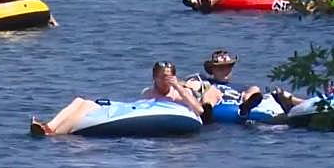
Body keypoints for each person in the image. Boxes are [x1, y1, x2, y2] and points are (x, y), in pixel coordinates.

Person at [31, 61, 207, 136]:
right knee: (80, 102)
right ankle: (49, 127)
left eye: (168, 77)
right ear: (154, 77)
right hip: (127, 111)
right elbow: (135, 109)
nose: (164, 81)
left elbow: (199, 111)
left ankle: (56, 134)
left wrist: (177, 87)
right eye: (161, 77)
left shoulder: (179, 94)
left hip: (171, 116)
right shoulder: (148, 93)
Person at [193, 50, 264, 118]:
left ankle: (247, 105)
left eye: (228, 66)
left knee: (254, 88)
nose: (225, 70)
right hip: (215, 104)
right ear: (212, 69)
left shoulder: (239, 87)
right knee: (212, 90)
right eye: (221, 67)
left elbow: (249, 90)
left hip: (239, 103)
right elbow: (193, 85)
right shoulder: (206, 82)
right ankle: (206, 110)